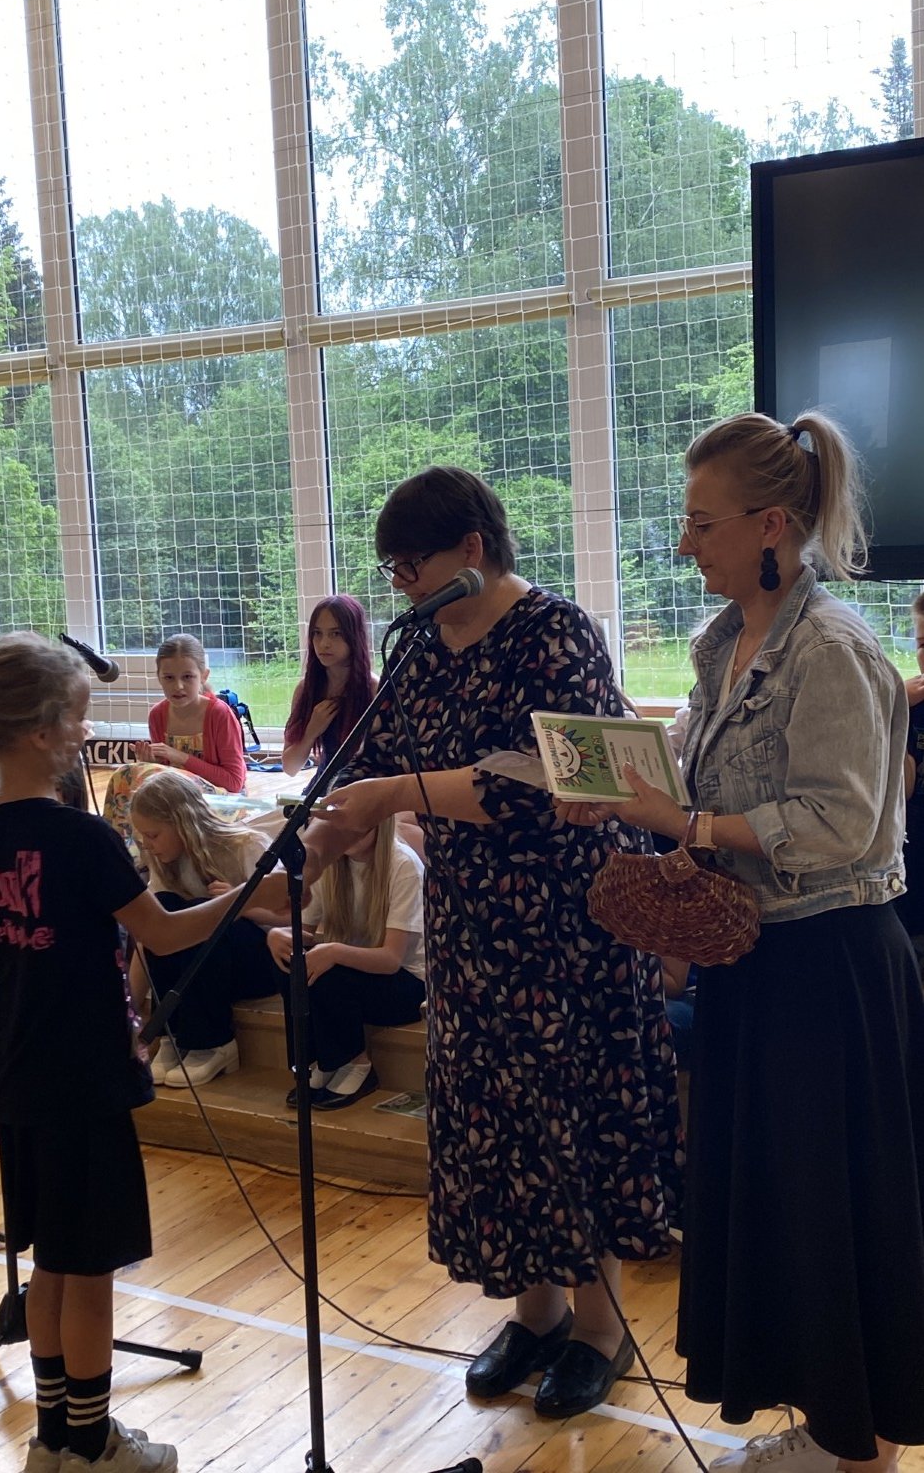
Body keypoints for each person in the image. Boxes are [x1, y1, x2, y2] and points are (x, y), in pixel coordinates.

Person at [560, 412, 924, 1473]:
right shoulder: (723, 645)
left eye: (701, 524)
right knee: (782, 1213)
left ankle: (861, 1449)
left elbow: (840, 823)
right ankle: (835, 1430)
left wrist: (689, 825)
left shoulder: (834, 649)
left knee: (830, 1215)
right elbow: (700, 789)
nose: (685, 545)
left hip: (830, 972)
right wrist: (622, 799)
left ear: (771, 525)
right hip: (758, 968)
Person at [304, 466, 682, 1416]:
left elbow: (540, 784)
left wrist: (392, 796)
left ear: (471, 549)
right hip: (476, 929)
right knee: (499, 1124)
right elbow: (380, 764)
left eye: (411, 564)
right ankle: (536, 1315)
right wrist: (324, 835)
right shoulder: (424, 647)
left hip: (568, 928)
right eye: (390, 570)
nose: (400, 585)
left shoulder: (555, 632)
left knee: (570, 1121)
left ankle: (601, 1331)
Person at [0, 632, 287, 1473]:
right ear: (43, 731)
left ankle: (53, 1441)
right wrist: (251, 900)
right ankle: (92, 1444)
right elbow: (161, 933)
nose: (85, 731)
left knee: (50, 1263)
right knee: (91, 1271)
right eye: (77, 717)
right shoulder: (81, 838)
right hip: (86, 1076)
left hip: (19, 1073)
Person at [128, 768, 279, 1087]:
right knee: (164, 908)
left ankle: (213, 1042)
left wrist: (240, 902)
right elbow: (151, 936)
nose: (148, 846)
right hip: (203, 969)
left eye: (153, 835)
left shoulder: (246, 845)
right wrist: (131, 1012)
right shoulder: (165, 862)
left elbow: (296, 915)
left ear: (182, 823)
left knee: (201, 915)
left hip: (263, 962)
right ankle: (171, 1033)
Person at [266, 814, 425, 1110]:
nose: (347, 832)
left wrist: (335, 952)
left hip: (408, 984)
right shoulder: (331, 865)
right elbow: (305, 932)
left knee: (331, 970)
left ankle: (356, 1063)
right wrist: (279, 935)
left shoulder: (403, 865)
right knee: (289, 960)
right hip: (358, 974)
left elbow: (391, 960)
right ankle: (317, 1059)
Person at [134, 634, 246, 793]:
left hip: (218, 798)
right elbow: (166, 776)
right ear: (159, 677)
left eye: (187, 677)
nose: (178, 686)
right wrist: (150, 764)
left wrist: (180, 757)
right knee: (125, 775)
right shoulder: (157, 715)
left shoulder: (219, 714)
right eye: (169, 677)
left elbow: (234, 782)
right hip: (176, 796)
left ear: (203, 676)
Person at [281, 595, 377, 780]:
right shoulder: (306, 689)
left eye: (336, 634)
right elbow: (290, 767)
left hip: (364, 789)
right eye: (317, 633)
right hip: (323, 787)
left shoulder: (374, 690)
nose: (324, 643)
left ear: (354, 636)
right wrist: (311, 732)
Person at [895, 588, 924, 952]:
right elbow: (904, 787)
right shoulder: (912, 706)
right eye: (922, 644)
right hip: (913, 866)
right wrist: (895, 711)